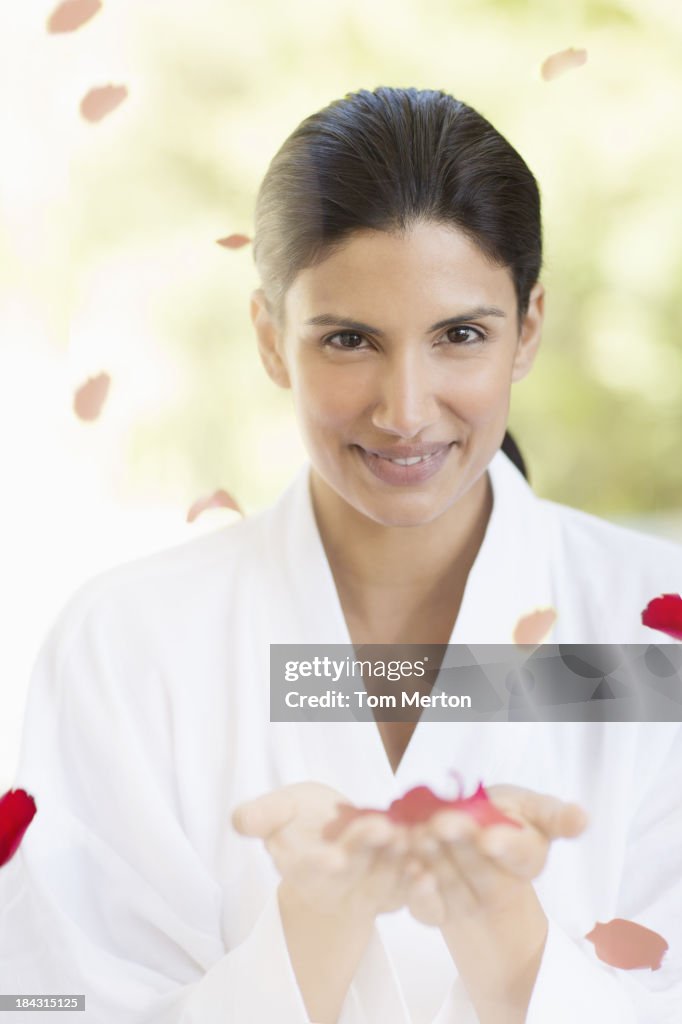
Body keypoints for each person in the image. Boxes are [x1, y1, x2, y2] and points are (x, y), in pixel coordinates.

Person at [1, 85, 681, 1024]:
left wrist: (514, 950)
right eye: (350, 340)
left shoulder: (652, 636)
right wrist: (308, 941)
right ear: (271, 339)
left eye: (461, 336)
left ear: (527, 329)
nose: (404, 409)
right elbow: (53, 1001)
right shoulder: (126, 647)